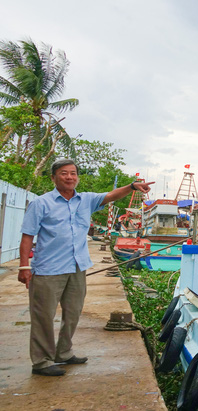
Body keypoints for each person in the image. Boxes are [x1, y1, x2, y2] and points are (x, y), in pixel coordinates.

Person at [18, 159, 154, 377]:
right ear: (53, 177)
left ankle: (63, 353)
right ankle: (42, 361)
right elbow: (27, 236)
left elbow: (110, 196)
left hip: (77, 266)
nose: (70, 177)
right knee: (43, 316)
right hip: (47, 269)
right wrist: (24, 265)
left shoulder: (86, 200)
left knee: (72, 313)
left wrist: (131, 187)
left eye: (73, 173)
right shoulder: (41, 203)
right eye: (64, 173)